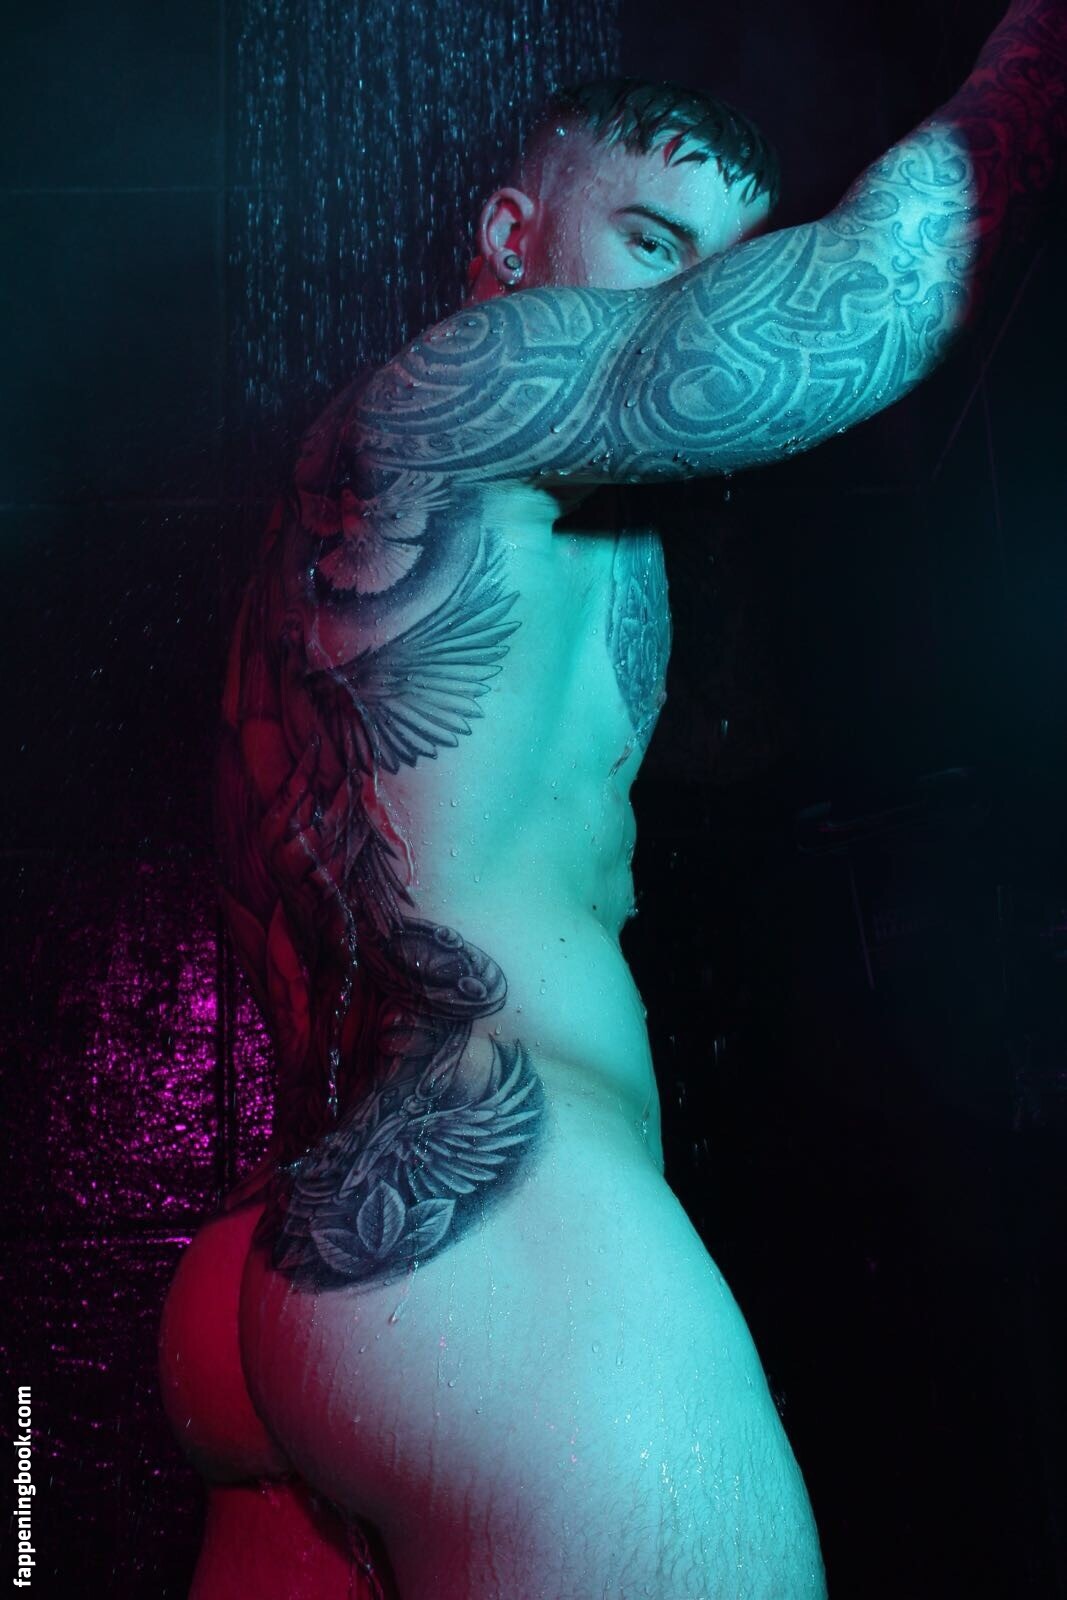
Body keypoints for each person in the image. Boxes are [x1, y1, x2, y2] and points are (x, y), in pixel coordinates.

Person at [159, 5, 1065, 1594]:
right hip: (499, 1235)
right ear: (510, 237)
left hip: (272, 1277)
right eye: (652, 243)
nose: (690, 300)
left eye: (723, 264)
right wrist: (1040, 60)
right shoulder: (469, 379)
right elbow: (869, 294)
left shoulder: (397, 530)